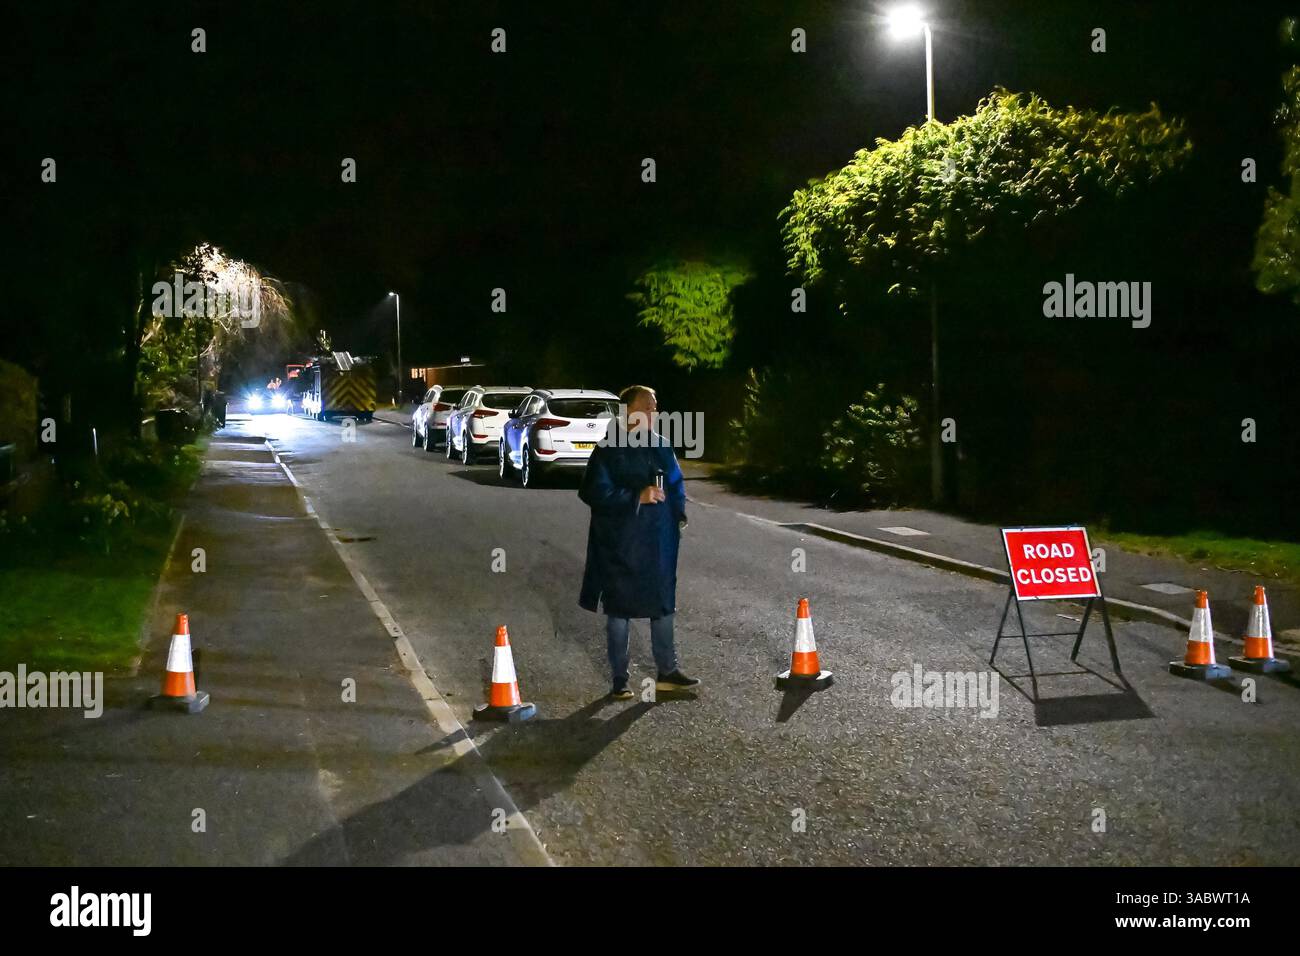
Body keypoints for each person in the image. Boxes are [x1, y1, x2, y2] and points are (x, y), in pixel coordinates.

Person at [579, 385, 700, 700]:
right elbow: (594, 492)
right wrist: (637, 496)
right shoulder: (608, 448)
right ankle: (620, 679)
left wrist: (678, 515)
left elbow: (674, 483)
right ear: (627, 412)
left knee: (663, 605)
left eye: (655, 407)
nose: (653, 413)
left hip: (659, 541)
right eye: (647, 406)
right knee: (620, 610)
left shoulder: (661, 445)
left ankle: (667, 672)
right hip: (622, 543)